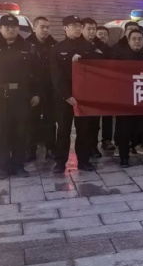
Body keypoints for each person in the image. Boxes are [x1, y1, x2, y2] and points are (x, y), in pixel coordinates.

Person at [0, 14, 41, 180]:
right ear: (0, 28)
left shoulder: (28, 47)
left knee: (21, 132)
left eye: (14, 26)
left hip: (22, 95)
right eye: (6, 26)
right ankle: (3, 167)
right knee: (0, 133)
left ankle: (19, 166)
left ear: (18, 28)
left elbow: (37, 73)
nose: (10, 29)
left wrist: (36, 93)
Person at [51, 15, 105, 173]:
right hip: (64, 97)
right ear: (65, 28)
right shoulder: (57, 48)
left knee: (84, 130)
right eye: (73, 25)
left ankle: (84, 161)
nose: (77, 28)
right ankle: (60, 162)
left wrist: (84, 57)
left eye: (79, 26)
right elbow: (55, 74)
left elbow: (99, 62)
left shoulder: (89, 46)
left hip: (84, 95)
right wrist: (66, 95)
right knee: (63, 130)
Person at [114, 29, 143, 167]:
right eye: (134, 39)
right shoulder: (120, 57)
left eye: (140, 39)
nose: (137, 41)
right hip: (125, 100)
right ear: (128, 41)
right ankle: (124, 158)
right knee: (124, 131)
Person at [25, 16, 58, 161]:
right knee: (31, 121)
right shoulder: (25, 45)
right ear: (34, 28)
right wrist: (33, 92)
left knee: (50, 121)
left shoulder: (55, 45)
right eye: (42, 27)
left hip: (51, 90)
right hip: (32, 90)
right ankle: (30, 150)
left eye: (47, 27)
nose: (45, 30)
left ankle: (50, 149)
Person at [81, 17, 106, 159]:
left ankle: (93, 146)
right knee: (84, 123)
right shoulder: (76, 45)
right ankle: (84, 148)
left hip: (97, 89)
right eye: (88, 29)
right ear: (82, 29)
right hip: (82, 90)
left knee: (95, 122)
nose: (91, 32)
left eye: (93, 29)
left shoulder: (101, 46)